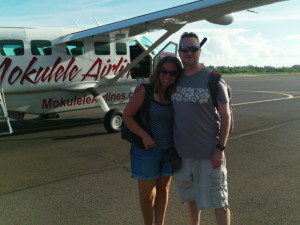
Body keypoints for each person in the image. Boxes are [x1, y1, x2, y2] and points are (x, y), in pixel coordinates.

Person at [171, 32, 231, 225]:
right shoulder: (174, 78)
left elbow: (226, 115)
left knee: (219, 201)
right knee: (191, 199)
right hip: (182, 155)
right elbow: (155, 88)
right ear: (179, 52)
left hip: (208, 155)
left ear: (199, 50)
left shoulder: (212, 79)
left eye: (193, 48)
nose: (189, 52)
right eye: (185, 49)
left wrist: (219, 149)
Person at [122, 56, 183, 225]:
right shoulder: (145, 91)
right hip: (146, 151)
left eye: (173, 73)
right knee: (147, 195)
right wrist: (144, 135)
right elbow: (127, 116)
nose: (167, 76)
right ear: (158, 72)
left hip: (169, 151)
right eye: (164, 71)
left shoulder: (175, 94)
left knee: (163, 189)